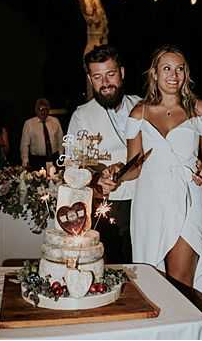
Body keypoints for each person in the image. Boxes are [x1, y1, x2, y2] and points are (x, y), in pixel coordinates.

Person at [101, 45, 202, 297]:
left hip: (189, 197)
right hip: (150, 201)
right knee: (154, 281)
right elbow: (134, 166)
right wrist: (116, 177)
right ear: (154, 73)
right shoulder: (139, 113)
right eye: (166, 68)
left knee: (181, 281)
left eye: (180, 69)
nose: (173, 75)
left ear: (186, 74)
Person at [67, 44, 141, 264]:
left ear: (122, 73)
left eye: (110, 74)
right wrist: (97, 179)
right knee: (113, 267)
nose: (105, 83)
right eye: (97, 77)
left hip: (144, 199)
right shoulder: (81, 116)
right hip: (107, 206)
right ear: (90, 80)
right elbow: (74, 165)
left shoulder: (143, 106)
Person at [20, 98, 63, 171]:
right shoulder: (29, 124)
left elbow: (60, 140)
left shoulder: (55, 121)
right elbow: (24, 144)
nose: (43, 112)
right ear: (36, 111)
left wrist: (61, 156)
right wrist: (25, 161)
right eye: (40, 109)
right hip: (37, 161)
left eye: (46, 109)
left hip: (54, 158)